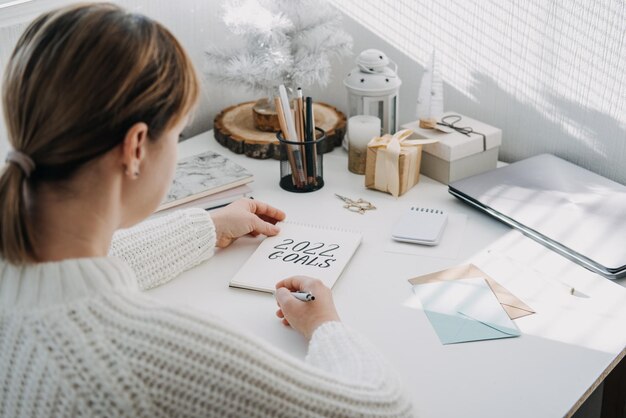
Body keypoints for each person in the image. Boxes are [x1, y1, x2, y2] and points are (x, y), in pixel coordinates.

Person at [0, 3, 414, 417]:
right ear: (137, 148)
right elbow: (384, 408)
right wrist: (325, 324)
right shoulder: (144, 358)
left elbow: (82, 271)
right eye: (177, 135)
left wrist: (210, 227)